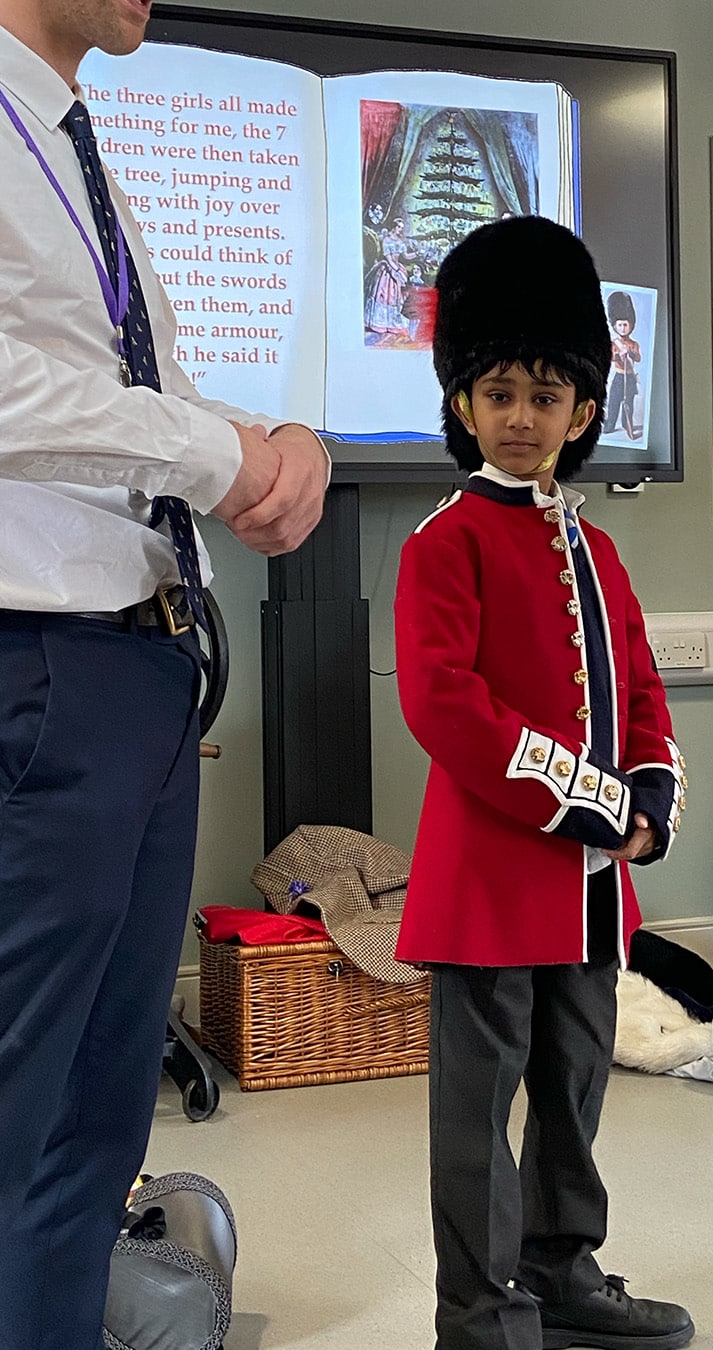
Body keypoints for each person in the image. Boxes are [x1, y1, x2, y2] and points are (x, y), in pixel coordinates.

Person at [0, 4, 330, 1348]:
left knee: (95, 1118)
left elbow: (149, 390)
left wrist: (279, 442)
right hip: (37, 665)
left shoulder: (75, 143)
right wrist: (212, 453)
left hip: (140, 670)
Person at [394, 215, 692, 1350]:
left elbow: (641, 691)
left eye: (546, 394)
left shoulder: (597, 550)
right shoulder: (443, 542)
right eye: (500, 393)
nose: (522, 416)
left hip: (592, 889)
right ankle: (479, 1314)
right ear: (463, 403)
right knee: (477, 1114)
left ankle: (561, 1273)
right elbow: (446, 708)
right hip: (489, 880)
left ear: (582, 410)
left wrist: (649, 797)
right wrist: (598, 806)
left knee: (573, 1086)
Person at [602, 289, 641, 437]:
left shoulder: (634, 344)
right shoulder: (614, 344)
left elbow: (638, 358)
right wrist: (618, 355)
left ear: (631, 325)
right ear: (614, 326)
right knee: (614, 401)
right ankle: (610, 423)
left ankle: (627, 423)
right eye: (620, 325)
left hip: (630, 378)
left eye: (625, 325)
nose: (623, 328)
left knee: (629, 401)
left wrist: (631, 353)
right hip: (619, 377)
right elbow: (610, 357)